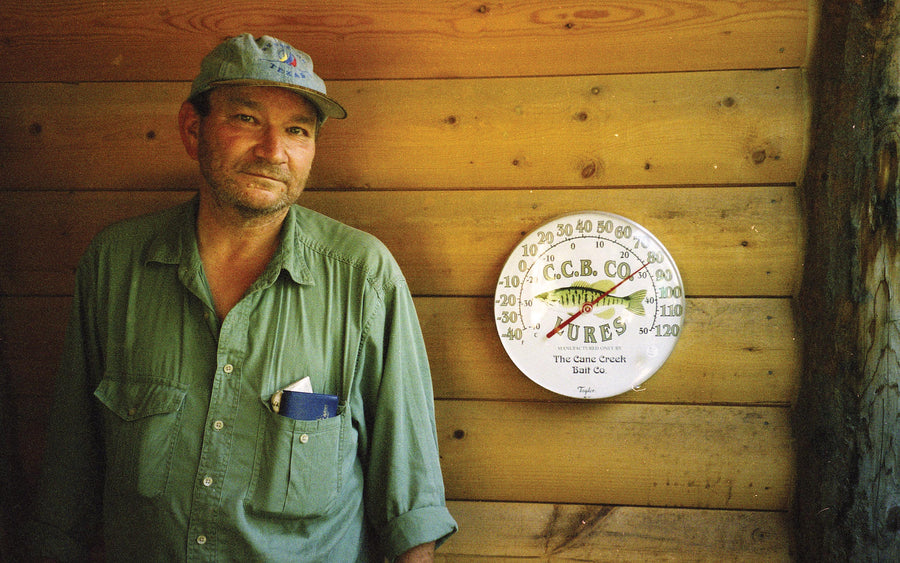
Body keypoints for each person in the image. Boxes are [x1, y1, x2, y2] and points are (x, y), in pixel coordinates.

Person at [27, 33, 457, 562]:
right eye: (247, 120)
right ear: (193, 128)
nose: (273, 151)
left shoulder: (362, 276)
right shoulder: (116, 263)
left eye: (297, 130)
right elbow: (70, 475)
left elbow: (411, 503)